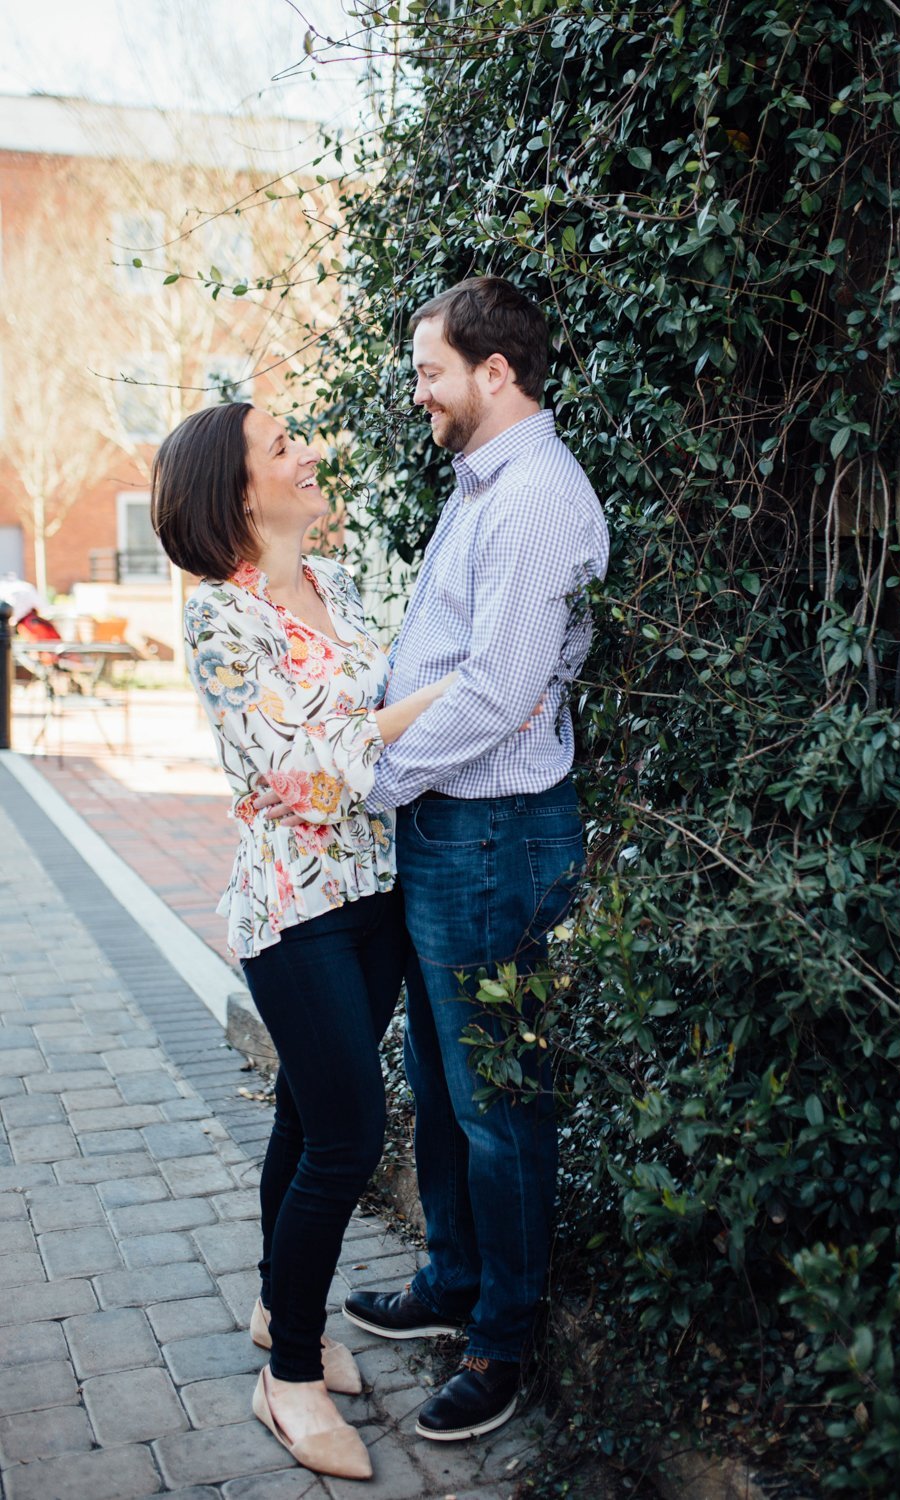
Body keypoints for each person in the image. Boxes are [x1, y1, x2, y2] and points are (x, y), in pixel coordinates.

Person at [259, 276, 609, 1441]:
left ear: (493, 373)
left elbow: (501, 690)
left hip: (490, 830)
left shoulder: (534, 500)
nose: (417, 391)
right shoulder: (482, 487)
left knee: (501, 1101)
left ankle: (502, 1339)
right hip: (451, 825)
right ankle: (452, 1280)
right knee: (454, 1090)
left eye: (429, 371)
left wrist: (374, 774)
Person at [150, 400, 457, 1480]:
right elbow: (298, 772)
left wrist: (399, 720)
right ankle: (287, 1376)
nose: (309, 452)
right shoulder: (218, 619)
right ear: (238, 493)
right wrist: (439, 706)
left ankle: (278, 1310)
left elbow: (351, 743)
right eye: (283, 445)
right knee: (346, 1134)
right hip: (293, 913)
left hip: (376, 897)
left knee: (304, 1111)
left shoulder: (342, 587)